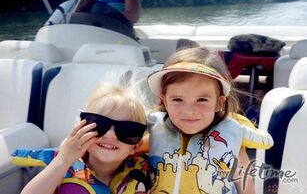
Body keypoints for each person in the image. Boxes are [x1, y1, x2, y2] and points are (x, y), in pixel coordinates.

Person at [146, 47, 274, 194]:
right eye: (177, 99)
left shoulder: (231, 136)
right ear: (165, 101)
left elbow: (244, 183)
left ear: (219, 103)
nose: (189, 110)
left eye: (201, 99)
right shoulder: (154, 130)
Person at [11, 83, 150, 194]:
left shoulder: (143, 174)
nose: (109, 135)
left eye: (127, 130)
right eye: (99, 125)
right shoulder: (63, 166)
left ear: (136, 146)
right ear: (80, 130)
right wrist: (63, 160)